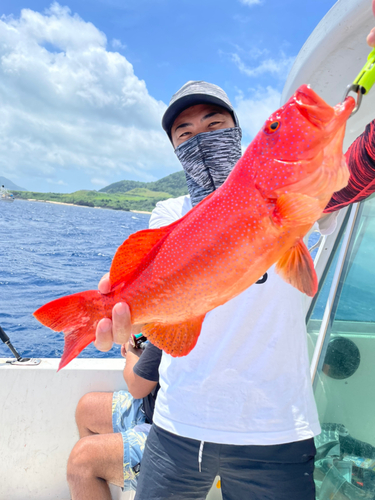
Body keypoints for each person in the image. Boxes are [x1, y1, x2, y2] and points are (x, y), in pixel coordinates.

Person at [91, 29, 375, 500]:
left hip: (277, 433)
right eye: (185, 132)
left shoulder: (297, 198)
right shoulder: (169, 215)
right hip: (177, 428)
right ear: (174, 149)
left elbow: (365, 164)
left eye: (214, 123)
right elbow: (152, 297)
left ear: (238, 130)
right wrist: (123, 318)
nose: (200, 137)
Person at [66, 336, 162, 499]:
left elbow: (136, 386)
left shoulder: (171, 326)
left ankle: (98, 470)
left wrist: (132, 350)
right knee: (87, 409)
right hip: (152, 409)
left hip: (169, 435)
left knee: (82, 461)